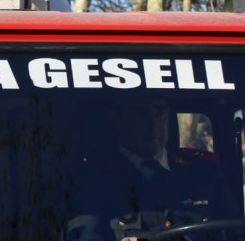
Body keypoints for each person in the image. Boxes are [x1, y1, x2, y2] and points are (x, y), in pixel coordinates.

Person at [67, 97, 238, 240]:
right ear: (118, 118)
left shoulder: (204, 174)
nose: (153, 123)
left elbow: (236, 231)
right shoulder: (90, 182)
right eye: (140, 113)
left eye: (160, 112)